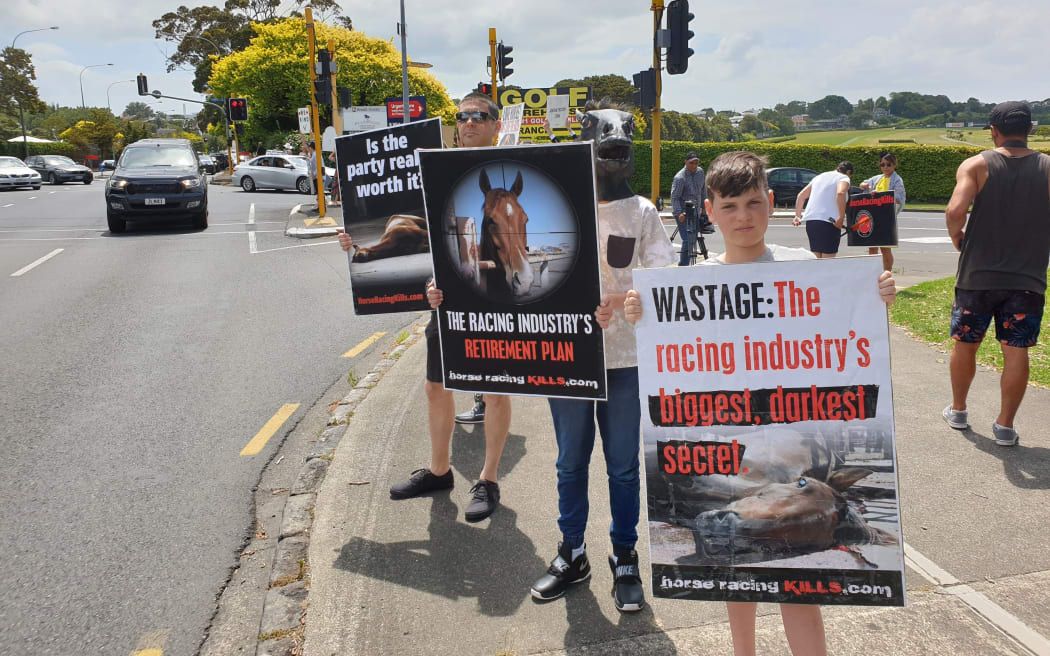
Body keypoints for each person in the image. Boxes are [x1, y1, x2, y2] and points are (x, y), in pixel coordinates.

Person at [625, 151, 896, 656]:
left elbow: (845, 336)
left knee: (799, 590)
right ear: (709, 210)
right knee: (738, 583)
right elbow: (672, 360)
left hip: (784, 455)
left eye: (753, 203)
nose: (743, 216)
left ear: (772, 203)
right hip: (728, 458)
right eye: (729, 206)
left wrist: (873, 294)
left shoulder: (806, 272)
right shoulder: (691, 282)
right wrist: (642, 314)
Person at [338, 92, 513, 522]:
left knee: (494, 390)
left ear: (495, 124)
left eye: (479, 116)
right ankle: (439, 471)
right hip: (446, 303)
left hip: (495, 300)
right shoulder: (438, 170)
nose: (469, 123)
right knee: (437, 386)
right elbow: (435, 240)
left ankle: (488, 479)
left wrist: (472, 268)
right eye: (463, 116)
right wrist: (355, 246)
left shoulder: (509, 175)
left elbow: (513, 247)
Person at [530, 101, 676, 613]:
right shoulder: (559, 208)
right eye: (600, 131)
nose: (614, 141)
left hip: (626, 362)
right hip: (566, 360)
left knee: (622, 467)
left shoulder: (643, 213)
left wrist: (629, 299)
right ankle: (572, 552)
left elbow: (662, 279)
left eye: (623, 132)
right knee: (570, 462)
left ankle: (624, 553)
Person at [942, 101, 1050, 446]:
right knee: (1016, 351)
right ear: (1030, 130)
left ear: (993, 130)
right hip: (1027, 279)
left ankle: (958, 410)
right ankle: (1005, 426)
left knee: (965, 344)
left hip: (978, 276)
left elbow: (956, 210)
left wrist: (957, 236)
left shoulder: (976, 165)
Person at [793, 161, 853, 258]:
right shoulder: (843, 178)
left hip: (811, 222)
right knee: (827, 261)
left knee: (816, 258)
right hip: (829, 222)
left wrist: (797, 216)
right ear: (849, 172)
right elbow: (841, 193)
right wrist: (841, 217)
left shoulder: (819, 176)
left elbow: (801, 196)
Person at [858, 152, 906, 272]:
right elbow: (862, 184)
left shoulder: (897, 180)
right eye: (882, 164)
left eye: (888, 164)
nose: (885, 167)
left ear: (894, 165)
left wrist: (882, 196)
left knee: (885, 249)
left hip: (886, 219)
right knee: (872, 248)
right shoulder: (877, 178)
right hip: (873, 218)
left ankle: (887, 274)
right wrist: (865, 186)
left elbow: (899, 199)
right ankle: (872, 274)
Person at [670, 151, 714, 266]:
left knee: (694, 238)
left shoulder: (700, 172)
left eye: (696, 162)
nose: (694, 165)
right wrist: (679, 213)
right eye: (691, 163)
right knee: (688, 239)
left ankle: (693, 264)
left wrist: (704, 208)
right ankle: (683, 266)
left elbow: (703, 191)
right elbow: (674, 197)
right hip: (683, 213)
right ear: (685, 162)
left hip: (696, 211)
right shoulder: (680, 178)